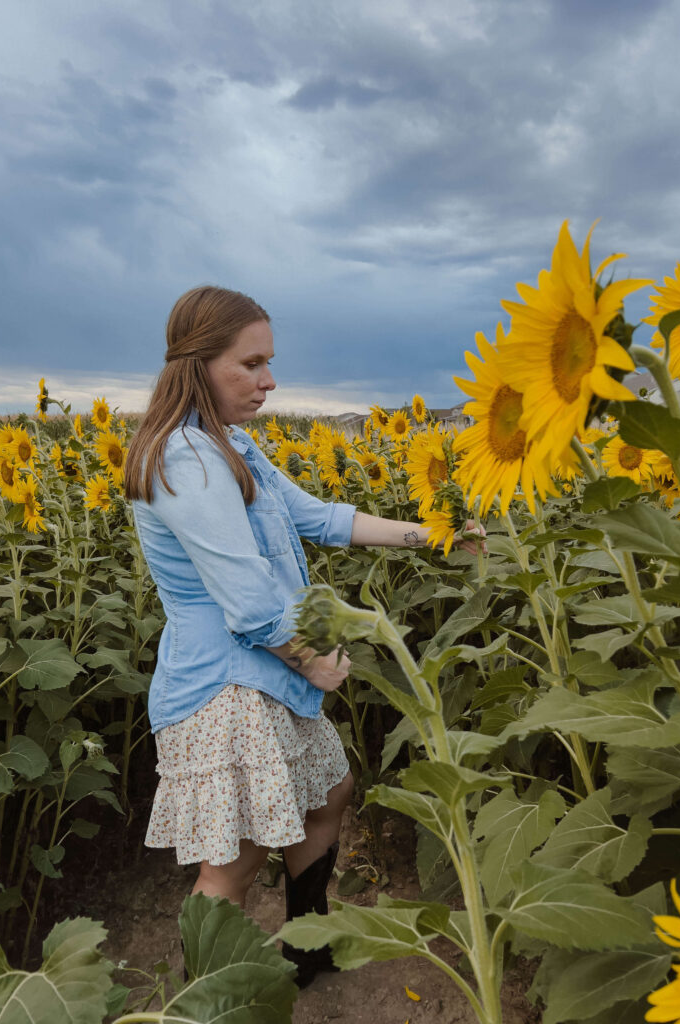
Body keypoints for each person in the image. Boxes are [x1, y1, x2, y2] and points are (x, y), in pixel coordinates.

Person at [124, 285, 485, 987]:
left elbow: (319, 518)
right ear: (199, 365)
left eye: (269, 362)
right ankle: (204, 1000)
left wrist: (435, 536)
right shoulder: (183, 461)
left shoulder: (233, 447)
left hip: (266, 674)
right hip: (227, 688)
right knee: (232, 864)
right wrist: (313, 660)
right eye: (251, 364)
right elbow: (249, 599)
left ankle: (306, 945)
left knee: (329, 795)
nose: (269, 380)